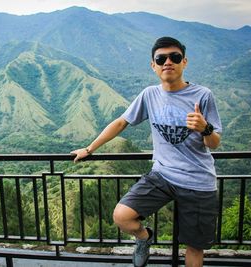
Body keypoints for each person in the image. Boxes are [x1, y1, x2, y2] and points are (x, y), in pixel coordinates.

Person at [71, 36, 222, 267]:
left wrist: (205, 128)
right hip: (162, 175)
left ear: (185, 62)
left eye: (175, 57)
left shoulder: (203, 95)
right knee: (122, 216)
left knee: (194, 247)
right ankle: (144, 238)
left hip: (198, 181)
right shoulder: (149, 95)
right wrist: (89, 148)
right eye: (161, 59)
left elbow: (214, 143)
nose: (168, 62)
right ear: (154, 65)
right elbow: (121, 122)